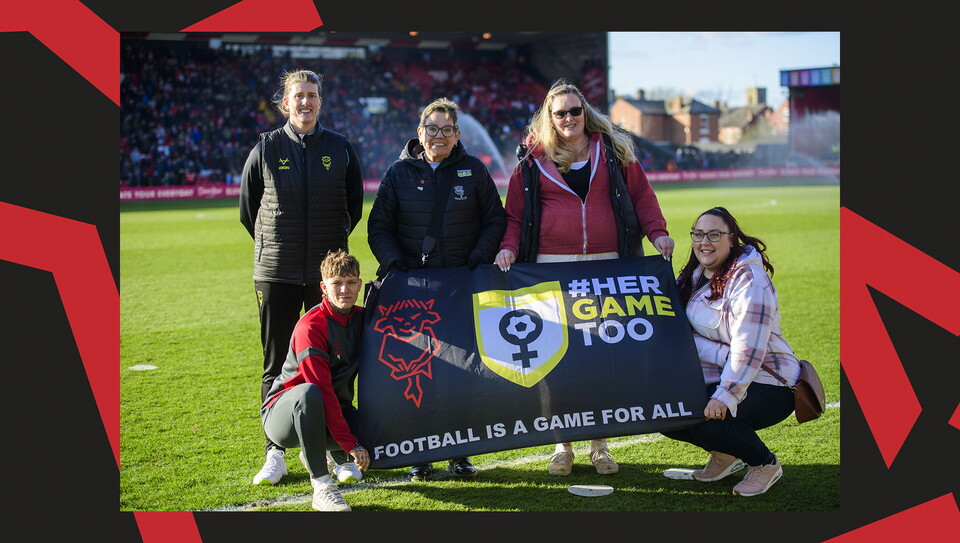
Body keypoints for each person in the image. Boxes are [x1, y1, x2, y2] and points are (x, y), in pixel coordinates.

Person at [494, 78, 675, 477]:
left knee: (602, 357)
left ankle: (600, 444)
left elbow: (643, 198)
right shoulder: (531, 158)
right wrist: (508, 246)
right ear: (549, 116)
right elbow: (514, 215)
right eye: (560, 113)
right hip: (551, 269)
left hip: (608, 266)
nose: (569, 118)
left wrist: (658, 233)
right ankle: (562, 444)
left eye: (575, 111)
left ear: (585, 111)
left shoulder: (612, 150)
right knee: (559, 359)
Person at [367, 97, 506, 480]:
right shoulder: (398, 174)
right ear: (420, 132)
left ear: (457, 134)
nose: (439, 136)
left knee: (463, 370)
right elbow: (379, 226)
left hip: (461, 287)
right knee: (421, 373)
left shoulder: (474, 170)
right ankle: (420, 453)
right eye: (432, 129)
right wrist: (397, 266)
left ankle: (460, 453)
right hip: (414, 291)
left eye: (447, 130)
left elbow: (495, 220)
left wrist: (476, 259)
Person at [240, 69, 364, 485]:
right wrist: (275, 245)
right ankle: (274, 452)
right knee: (276, 362)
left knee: (335, 362)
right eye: (298, 96)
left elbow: (354, 206)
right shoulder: (266, 147)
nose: (306, 102)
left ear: (320, 102)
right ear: (285, 103)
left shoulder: (340, 148)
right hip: (276, 271)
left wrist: (329, 256)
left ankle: (335, 449)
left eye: (312, 95)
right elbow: (249, 210)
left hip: (323, 275)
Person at [661, 206, 801, 497]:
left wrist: (726, 394)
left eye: (714, 234)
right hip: (723, 373)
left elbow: (749, 349)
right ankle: (726, 455)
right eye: (698, 234)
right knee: (665, 413)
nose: (704, 242)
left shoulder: (750, 281)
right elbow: (675, 329)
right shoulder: (695, 275)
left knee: (710, 424)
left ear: (731, 238)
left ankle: (765, 464)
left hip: (767, 382)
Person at [260, 249, 370, 511]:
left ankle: (318, 451)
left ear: (359, 284)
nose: (345, 289)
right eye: (337, 283)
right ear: (323, 287)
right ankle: (322, 486)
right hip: (284, 416)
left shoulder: (363, 319)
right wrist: (350, 443)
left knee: (379, 433)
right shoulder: (311, 326)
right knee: (309, 392)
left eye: (351, 282)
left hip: (329, 412)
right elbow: (320, 389)